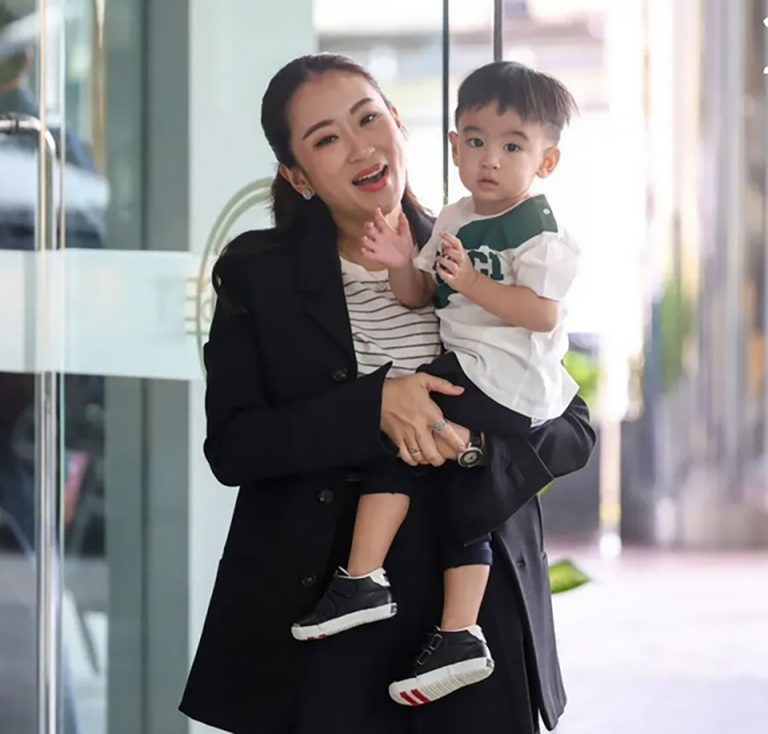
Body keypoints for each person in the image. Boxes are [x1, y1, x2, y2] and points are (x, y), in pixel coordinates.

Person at [179, 53, 595, 734]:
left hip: (472, 615)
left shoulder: (473, 249)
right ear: (297, 175)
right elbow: (234, 446)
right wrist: (372, 407)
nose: (361, 147)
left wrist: (473, 447)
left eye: (369, 119)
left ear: (399, 124)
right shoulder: (260, 277)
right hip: (328, 617)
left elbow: (571, 425)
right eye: (326, 138)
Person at [289, 61, 580, 706]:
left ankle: (367, 582)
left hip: (504, 383)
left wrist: (472, 446)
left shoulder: (540, 233)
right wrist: (401, 261)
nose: (490, 159)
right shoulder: (452, 218)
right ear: (453, 144)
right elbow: (421, 293)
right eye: (476, 140)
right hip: (474, 375)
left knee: (409, 430)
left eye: (512, 147)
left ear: (547, 161)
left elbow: (545, 323)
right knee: (456, 501)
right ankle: (455, 633)